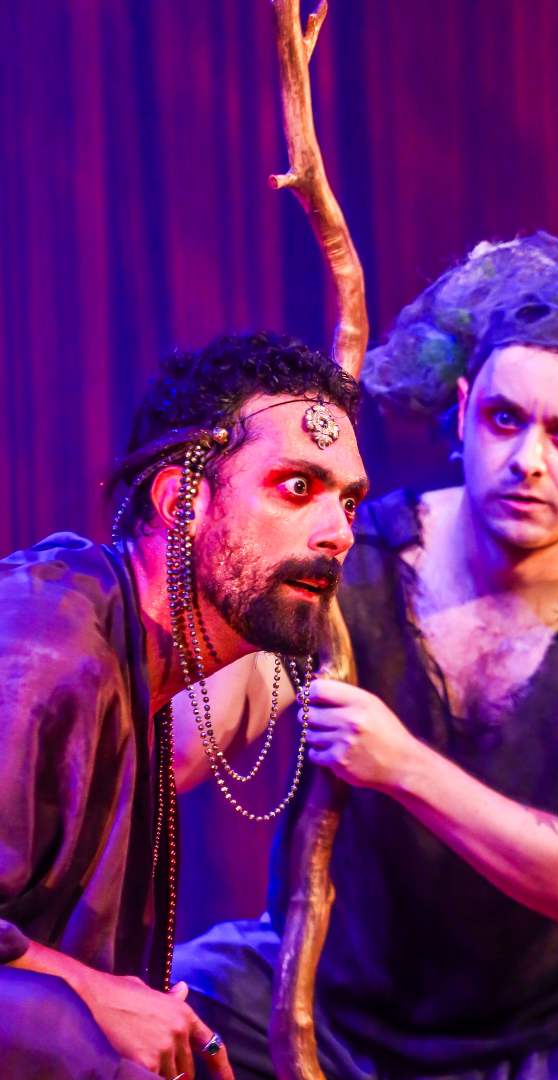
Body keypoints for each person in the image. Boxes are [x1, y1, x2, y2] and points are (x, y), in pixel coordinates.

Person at [174, 235, 558, 1079]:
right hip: (327, 1002)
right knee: (149, 1024)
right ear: (463, 412)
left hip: (550, 1038)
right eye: (505, 419)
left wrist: (400, 766)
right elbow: (191, 737)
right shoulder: (351, 560)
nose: (528, 460)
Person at [0, 331, 367, 1080]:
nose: (338, 534)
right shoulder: (44, 643)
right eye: (298, 488)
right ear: (183, 501)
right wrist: (87, 998)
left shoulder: (141, 670)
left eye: (349, 501)